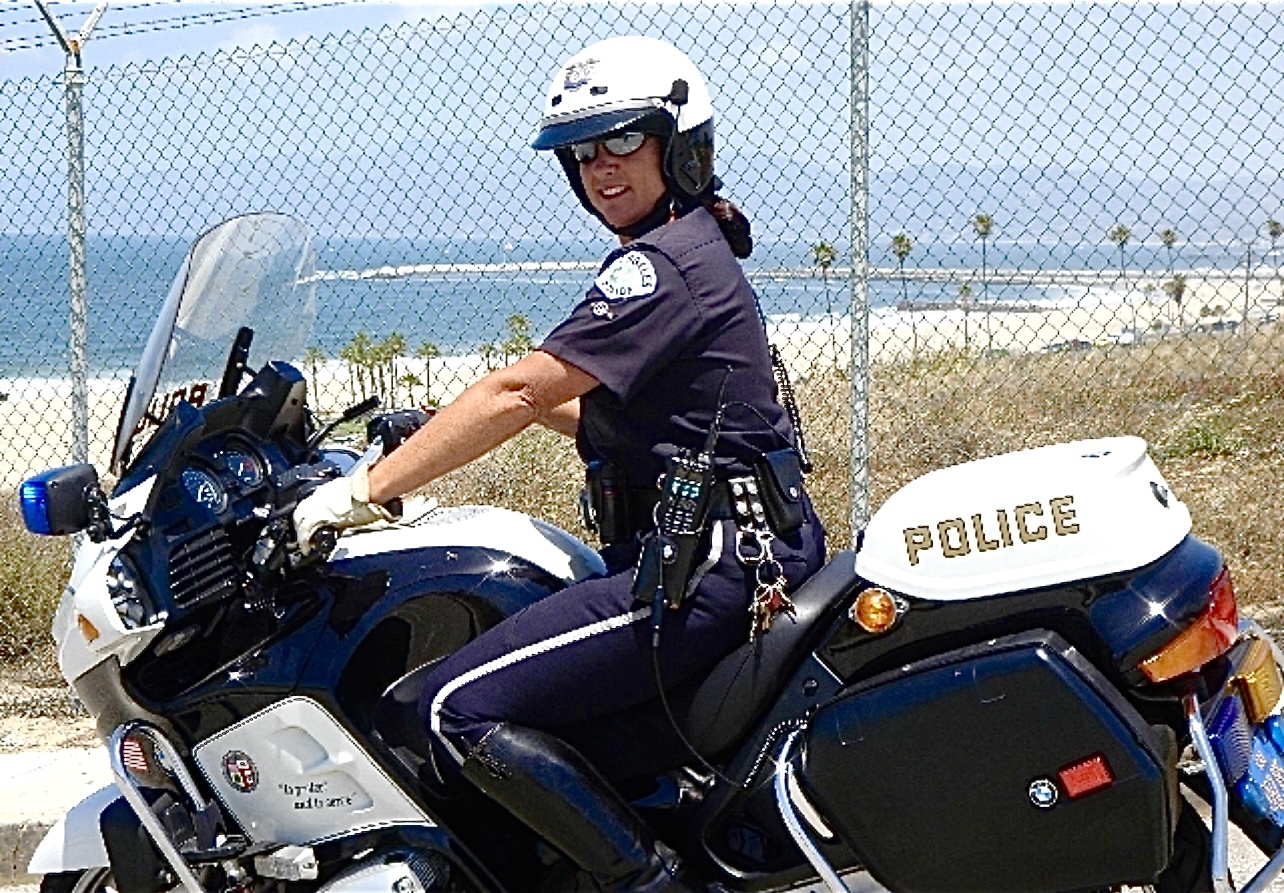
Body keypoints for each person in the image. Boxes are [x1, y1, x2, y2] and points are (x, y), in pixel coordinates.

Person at [294, 34, 826, 892]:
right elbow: (606, 416)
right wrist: (433, 433)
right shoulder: (687, 245)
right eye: (581, 150)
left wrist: (363, 490)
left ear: (680, 143)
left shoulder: (661, 268)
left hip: (711, 572)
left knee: (453, 707)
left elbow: (518, 390)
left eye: (622, 139)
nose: (600, 167)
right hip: (725, 553)